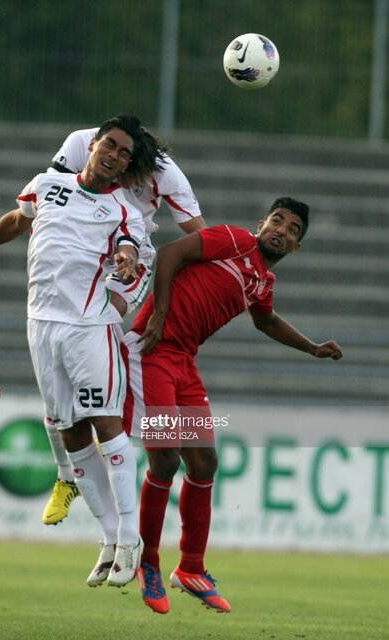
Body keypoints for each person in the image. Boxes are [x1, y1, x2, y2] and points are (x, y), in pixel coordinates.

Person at [0, 117, 208, 529]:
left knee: (97, 323)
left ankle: (110, 409)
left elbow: (199, 234)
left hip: (130, 256)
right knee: (61, 384)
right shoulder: (79, 144)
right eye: (112, 148)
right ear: (96, 144)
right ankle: (66, 475)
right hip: (81, 252)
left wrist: (176, 306)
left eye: (127, 158)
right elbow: (37, 209)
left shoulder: (167, 175)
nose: (117, 161)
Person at [120, 197, 343, 614]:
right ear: (261, 224)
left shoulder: (262, 282)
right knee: (165, 460)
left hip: (183, 361)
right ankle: (146, 563)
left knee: (204, 463)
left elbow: (266, 320)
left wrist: (311, 348)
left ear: (295, 248)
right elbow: (170, 254)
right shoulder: (233, 239)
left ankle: (190, 568)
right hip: (152, 349)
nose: (282, 229)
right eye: (277, 220)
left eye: (293, 229)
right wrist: (160, 311)